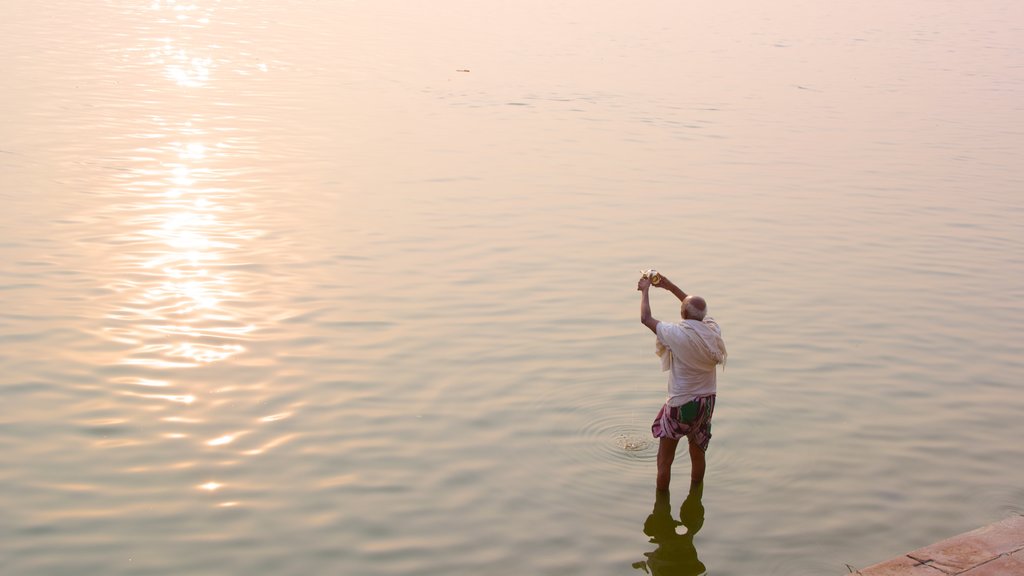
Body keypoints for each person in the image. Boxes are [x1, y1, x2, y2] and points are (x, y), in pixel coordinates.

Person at [637, 273, 727, 491]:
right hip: (706, 403)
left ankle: (661, 504)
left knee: (664, 461)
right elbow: (695, 309)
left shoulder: (676, 333)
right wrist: (669, 286)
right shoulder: (713, 331)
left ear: (682, 314)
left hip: (682, 404)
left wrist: (645, 290)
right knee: (697, 454)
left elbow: (646, 318)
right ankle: (696, 493)